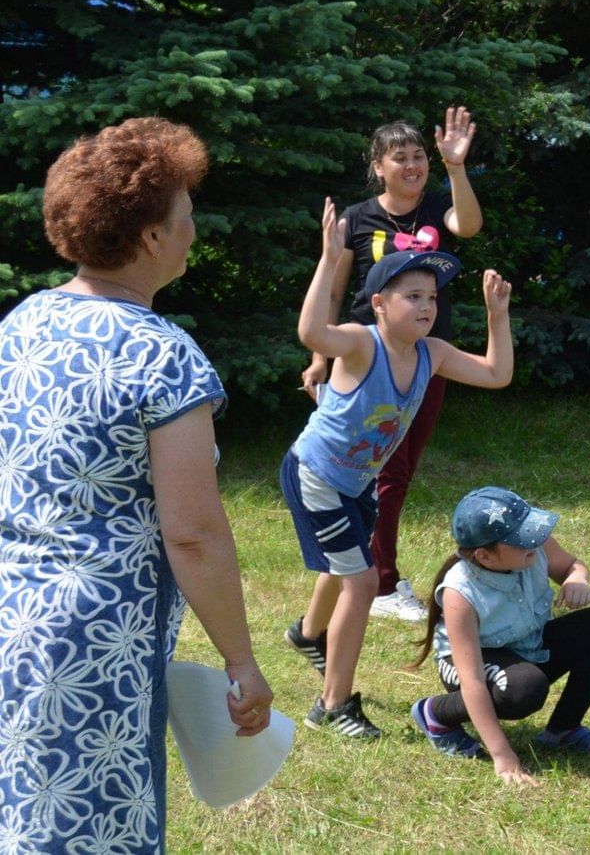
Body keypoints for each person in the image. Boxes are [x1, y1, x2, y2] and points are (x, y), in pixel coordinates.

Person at [0, 119, 274, 854]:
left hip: (12, 617)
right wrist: (241, 662)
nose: (193, 229)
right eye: (185, 215)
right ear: (151, 238)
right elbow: (193, 531)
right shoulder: (163, 356)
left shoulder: (22, 323)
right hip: (98, 643)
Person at [283, 199, 515, 739]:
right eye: (413, 296)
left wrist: (496, 317)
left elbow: (497, 373)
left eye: (431, 297)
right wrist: (328, 259)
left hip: (355, 482)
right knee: (361, 581)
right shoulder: (362, 344)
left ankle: (309, 633)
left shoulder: (432, 353)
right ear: (379, 304)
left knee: (345, 566)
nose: (426, 306)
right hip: (317, 474)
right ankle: (331, 706)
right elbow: (313, 333)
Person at [302, 110, 485, 623]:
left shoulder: (437, 207)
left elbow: (468, 226)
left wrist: (455, 168)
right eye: (399, 157)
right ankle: (378, 581)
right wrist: (321, 357)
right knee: (369, 467)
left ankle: (363, 572)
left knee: (397, 471)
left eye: (418, 156)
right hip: (366, 361)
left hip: (425, 359)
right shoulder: (357, 219)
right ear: (377, 167)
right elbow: (336, 291)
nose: (411, 165)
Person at [410, 486, 590, 784]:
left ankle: (563, 730)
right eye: (520, 539)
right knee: (524, 690)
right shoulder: (461, 593)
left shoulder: (535, 545)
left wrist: (577, 578)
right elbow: (471, 681)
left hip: (527, 644)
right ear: (485, 556)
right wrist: (503, 755)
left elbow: (573, 565)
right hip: (472, 663)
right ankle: (435, 713)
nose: (533, 540)